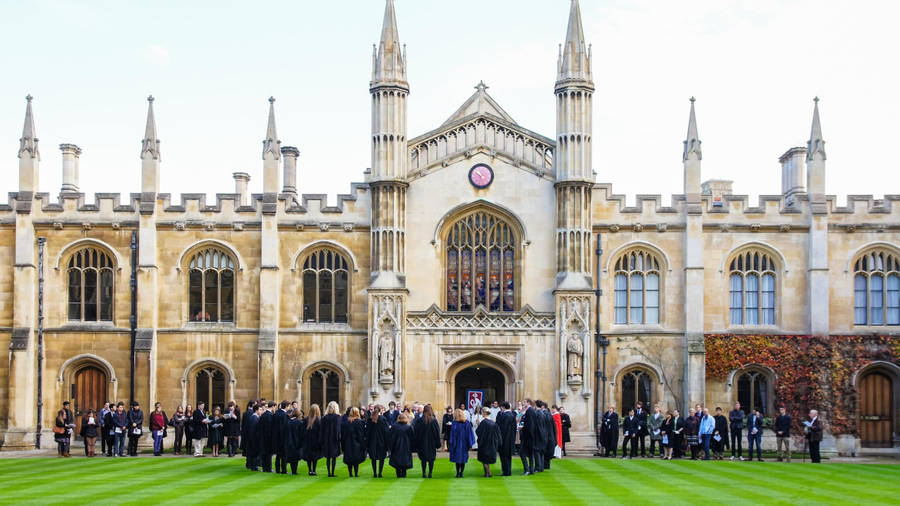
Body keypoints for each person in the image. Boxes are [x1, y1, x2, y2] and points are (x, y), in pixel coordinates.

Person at [413, 404, 441, 478]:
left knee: (423, 459)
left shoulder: (420, 421)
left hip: (422, 443)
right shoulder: (433, 420)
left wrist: (416, 443)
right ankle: (430, 473)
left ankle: (424, 472)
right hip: (431, 443)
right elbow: (437, 433)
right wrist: (438, 443)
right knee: (431, 459)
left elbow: (416, 432)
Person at [449, 408, 476, 478]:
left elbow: (452, 434)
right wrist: (470, 443)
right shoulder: (467, 423)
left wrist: (452, 443)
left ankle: (458, 473)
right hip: (464, 443)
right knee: (463, 459)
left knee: (457, 459)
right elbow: (470, 434)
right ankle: (461, 473)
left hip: (457, 443)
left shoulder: (455, 423)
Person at [475, 407, 501, 477]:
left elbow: (478, 432)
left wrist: (479, 425)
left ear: (484, 413)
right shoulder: (493, 423)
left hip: (485, 443)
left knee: (484, 459)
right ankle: (489, 473)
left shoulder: (484, 423)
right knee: (487, 459)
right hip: (492, 443)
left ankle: (487, 473)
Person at [341, 407, 366, 477]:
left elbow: (343, 435)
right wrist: (363, 444)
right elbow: (360, 434)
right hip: (356, 443)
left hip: (348, 443)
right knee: (356, 459)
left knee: (350, 459)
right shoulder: (359, 422)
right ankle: (356, 473)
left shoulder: (346, 422)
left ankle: (350, 473)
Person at [321, 401, 342, 477]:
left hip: (326, 439)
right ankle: (332, 472)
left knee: (328, 457)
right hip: (334, 439)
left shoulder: (324, 418)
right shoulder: (338, 417)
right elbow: (338, 430)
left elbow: (322, 430)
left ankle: (329, 472)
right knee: (333, 457)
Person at [389, 412, 414, 477]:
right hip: (406, 445)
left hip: (396, 445)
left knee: (397, 458)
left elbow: (391, 437)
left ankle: (398, 473)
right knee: (405, 458)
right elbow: (412, 437)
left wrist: (391, 446)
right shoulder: (408, 427)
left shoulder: (394, 426)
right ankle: (404, 473)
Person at [366, 405, 389, 477]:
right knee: (381, 458)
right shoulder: (383, 419)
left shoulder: (370, 419)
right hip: (381, 441)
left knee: (373, 458)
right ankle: (380, 473)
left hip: (372, 441)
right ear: (380, 410)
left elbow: (367, 432)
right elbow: (386, 432)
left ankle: (375, 473)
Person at [496, 402, 517, 476]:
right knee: (508, 456)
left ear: (503, 407)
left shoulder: (504, 416)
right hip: (511, 438)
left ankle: (506, 471)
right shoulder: (512, 415)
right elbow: (515, 428)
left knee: (504, 456)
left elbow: (501, 429)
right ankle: (508, 471)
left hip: (504, 439)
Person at [302, 404, 323, 476]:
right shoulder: (319, 420)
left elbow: (303, 431)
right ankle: (313, 470)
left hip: (307, 441)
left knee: (309, 456)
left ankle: (310, 470)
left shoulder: (306, 419)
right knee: (314, 457)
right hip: (315, 441)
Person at [283, 408, 304, 475]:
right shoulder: (299, 422)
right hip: (296, 442)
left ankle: (290, 470)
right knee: (295, 458)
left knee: (290, 457)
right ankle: (294, 471)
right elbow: (300, 434)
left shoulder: (288, 422)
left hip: (288, 442)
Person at [518, 399, 536, 474]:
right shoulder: (528, 411)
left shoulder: (530, 411)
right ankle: (531, 470)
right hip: (529, 436)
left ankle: (527, 470)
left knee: (522, 453)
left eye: (524, 402)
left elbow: (530, 424)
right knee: (530, 454)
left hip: (528, 436)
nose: (523, 403)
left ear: (528, 403)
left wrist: (523, 427)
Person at [244, 403, 261, 470]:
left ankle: (252, 465)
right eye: (260, 409)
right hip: (253, 440)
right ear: (256, 410)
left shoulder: (254, 417)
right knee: (254, 453)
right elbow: (252, 431)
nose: (261, 411)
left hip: (252, 440)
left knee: (252, 453)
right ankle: (254, 466)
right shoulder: (254, 418)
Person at [274, 401, 289, 474]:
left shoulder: (275, 414)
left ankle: (277, 469)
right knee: (284, 455)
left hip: (276, 438)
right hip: (283, 438)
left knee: (278, 455)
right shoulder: (285, 415)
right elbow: (285, 428)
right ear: (286, 406)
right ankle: (284, 470)